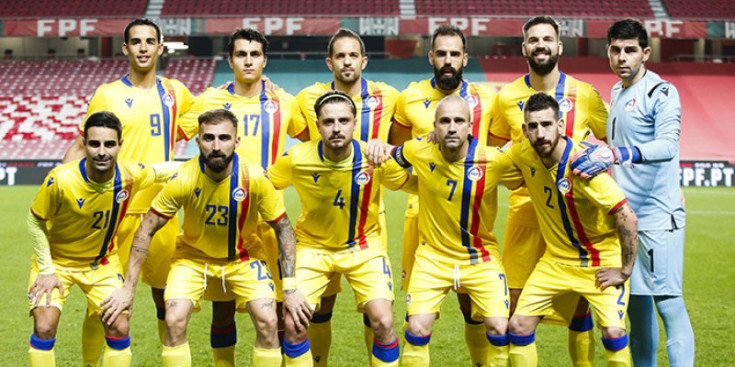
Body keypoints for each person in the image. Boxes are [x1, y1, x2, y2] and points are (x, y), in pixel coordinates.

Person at [100, 109, 311, 367]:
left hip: (243, 258)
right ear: (197, 141)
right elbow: (147, 229)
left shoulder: (253, 177)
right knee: (174, 318)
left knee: (268, 320)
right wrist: (128, 288)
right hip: (192, 258)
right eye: (208, 138)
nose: (216, 146)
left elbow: (284, 228)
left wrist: (289, 287)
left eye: (224, 138)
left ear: (237, 141)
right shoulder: (184, 178)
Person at [61, 18, 195, 365]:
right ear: (126, 48)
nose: (143, 47)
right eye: (136, 41)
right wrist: (60, 183)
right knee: (104, 303)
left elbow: (215, 116)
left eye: (150, 41)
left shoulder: (177, 93)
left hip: (162, 213)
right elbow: (82, 144)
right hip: (114, 212)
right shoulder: (108, 93)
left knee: (167, 301)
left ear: (160, 47)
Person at [178, 27, 307, 366]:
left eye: (255, 55)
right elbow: (175, 135)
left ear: (265, 59)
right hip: (221, 223)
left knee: (282, 312)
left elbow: (314, 142)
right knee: (222, 313)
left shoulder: (285, 102)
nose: (248, 61)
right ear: (230, 59)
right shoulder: (209, 100)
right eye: (241, 54)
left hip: (268, 222)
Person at [570, 18, 695, 367]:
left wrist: (618, 154)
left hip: (658, 217)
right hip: (627, 218)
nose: (622, 57)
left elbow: (667, 145)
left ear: (645, 53)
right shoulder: (615, 92)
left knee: (669, 303)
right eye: (615, 50)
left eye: (629, 50)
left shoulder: (662, 92)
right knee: (637, 307)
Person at [488, 15, 609, 366]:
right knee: (514, 306)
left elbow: (613, 142)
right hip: (526, 214)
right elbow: (497, 155)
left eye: (547, 39)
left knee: (581, 305)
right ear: (524, 47)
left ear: (559, 46)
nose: (540, 45)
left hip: (577, 217)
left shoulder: (585, 94)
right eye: (533, 40)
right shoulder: (507, 96)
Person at [267, 91, 416, 367]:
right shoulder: (297, 158)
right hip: (312, 249)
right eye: (329, 122)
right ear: (318, 124)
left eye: (343, 121)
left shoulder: (376, 160)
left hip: (363, 247)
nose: (337, 128)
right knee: (293, 323)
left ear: (355, 122)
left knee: (383, 321)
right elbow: (263, 185)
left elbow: (417, 185)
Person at [370, 95, 521, 366]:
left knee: (500, 329)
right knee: (415, 329)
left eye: (458, 121)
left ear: (470, 126)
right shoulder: (418, 150)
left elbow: (526, 175)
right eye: (445, 121)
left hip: (481, 259)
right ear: (435, 127)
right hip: (432, 259)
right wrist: (377, 146)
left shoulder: (494, 161)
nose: (452, 127)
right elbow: (390, 154)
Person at [26, 111, 178, 367]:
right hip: (57, 263)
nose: (101, 151)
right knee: (44, 326)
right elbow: (35, 220)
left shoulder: (129, 175)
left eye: (109, 144)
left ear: (120, 145)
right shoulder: (60, 179)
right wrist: (47, 269)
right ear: (84, 144)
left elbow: (160, 171)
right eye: (94, 144)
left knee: (119, 324)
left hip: (102, 265)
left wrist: (201, 167)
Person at [501, 92, 638, 366]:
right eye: (533, 126)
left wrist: (624, 269)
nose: (541, 133)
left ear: (561, 126)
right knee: (518, 326)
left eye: (547, 124)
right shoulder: (523, 152)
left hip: (600, 259)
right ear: (525, 130)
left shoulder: (584, 166)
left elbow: (627, 216)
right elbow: (485, 159)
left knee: (613, 332)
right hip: (556, 261)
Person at [388, 24, 498, 366]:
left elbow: (501, 151)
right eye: (441, 53)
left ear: (465, 58)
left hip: (473, 220)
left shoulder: (489, 98)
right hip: (422, 219)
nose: (448, 60)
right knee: (418, 318)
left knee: (474, 310)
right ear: (431, 56)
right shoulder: (409, 98)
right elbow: (397, 153)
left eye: (454, 54)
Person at [292, 28, 400, 365]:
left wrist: (390, 148)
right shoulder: (307, 99)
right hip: (320, 219)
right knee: (319, 309)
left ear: (364, 60)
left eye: (353, 55)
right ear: (329, 62)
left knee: (377, 315)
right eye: (340, 56)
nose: (347, 61)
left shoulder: (390, 97)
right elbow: (302, 146)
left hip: (368, 222)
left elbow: (405, 142)